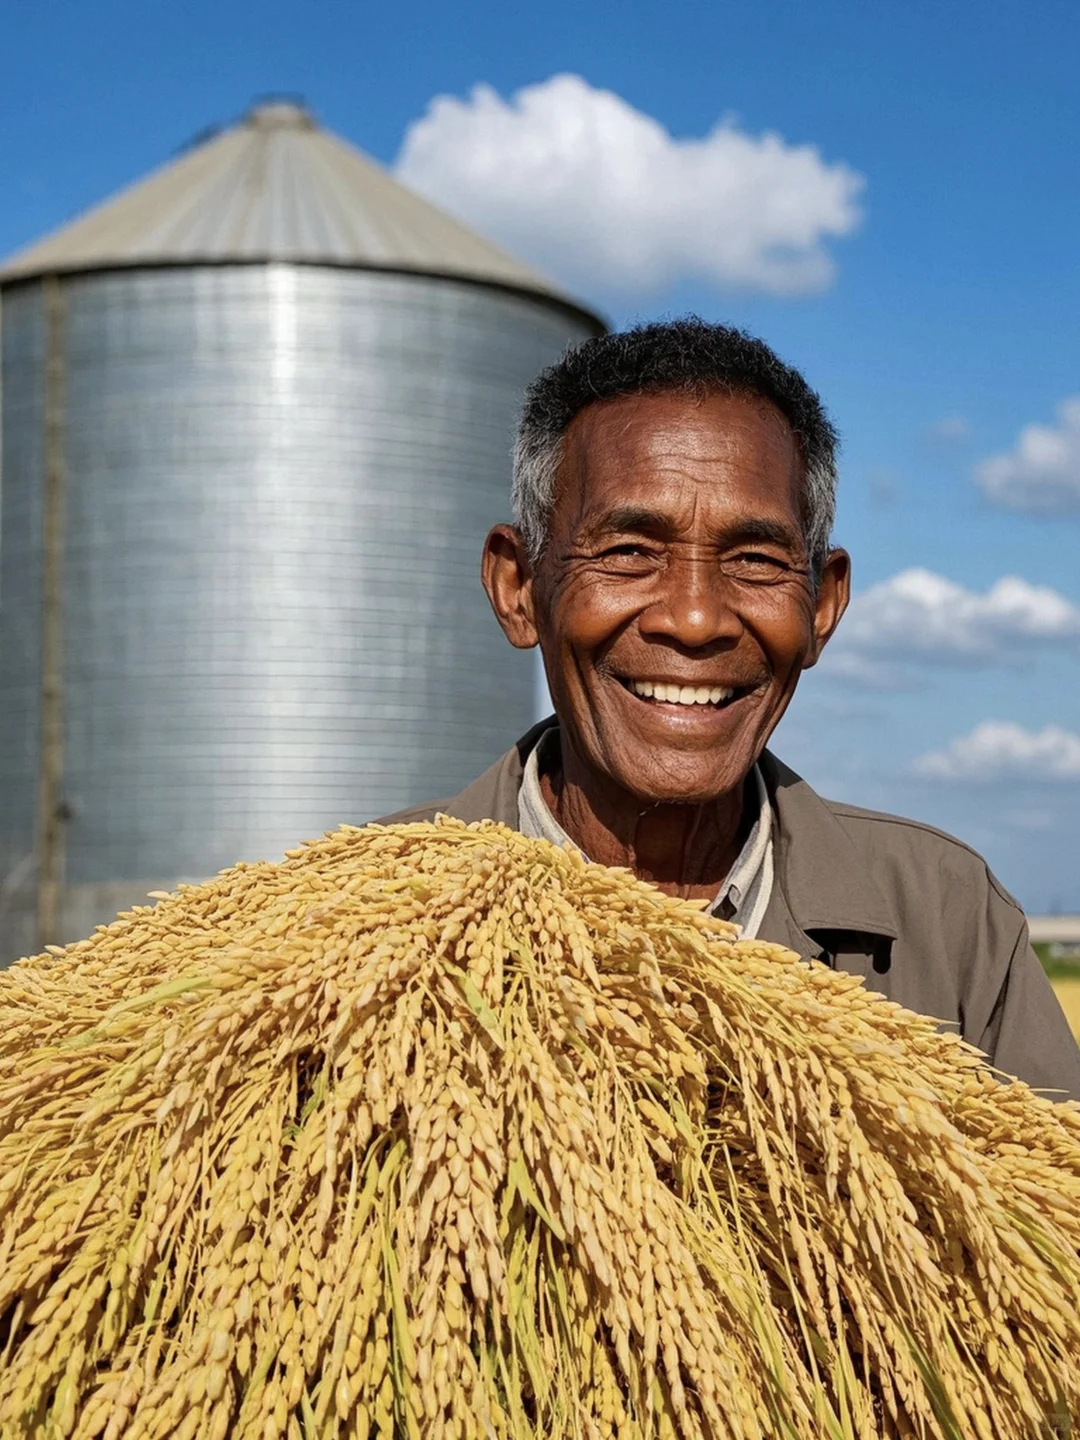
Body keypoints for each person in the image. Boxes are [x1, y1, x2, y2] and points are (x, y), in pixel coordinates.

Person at [387, 318, 1080, 1100]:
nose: (694, 619)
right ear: (519, 588)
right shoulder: (360, 919)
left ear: (822, 606)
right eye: (628, 553)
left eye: (755, 560)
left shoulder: (948, 925)